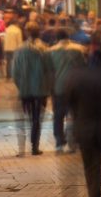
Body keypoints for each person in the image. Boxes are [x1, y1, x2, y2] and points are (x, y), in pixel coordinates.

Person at [67, 32, 101, 197]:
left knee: (91, 168)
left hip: (84, 129)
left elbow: (69, 104)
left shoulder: (75, 77)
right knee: (98, 167)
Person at [10, 24, 51, 156]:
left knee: (26, 116)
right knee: (37, 118)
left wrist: (21, 85)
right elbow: (49, 70)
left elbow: (14, 72)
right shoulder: (44, 49)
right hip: (41, 90)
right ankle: (35, 146)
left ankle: (23, 147)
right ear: (39, 33)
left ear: (27, 33)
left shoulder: (19, 50)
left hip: (25, 90)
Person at [47, 29, 86, 152]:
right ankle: (74, 140)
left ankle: (59, 142)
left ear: (57, 38)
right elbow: (83, 68)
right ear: (68, 37)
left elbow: (49, 71)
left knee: (58, 115)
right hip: (76, 87)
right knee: (76, 114)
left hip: (59, 88)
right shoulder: (79, 49)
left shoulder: (51, 51)